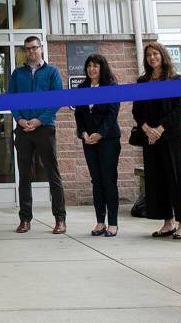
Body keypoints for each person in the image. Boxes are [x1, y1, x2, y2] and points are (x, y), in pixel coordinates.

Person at [133, 41, 181, 240]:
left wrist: (159, 129)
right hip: (151, 140)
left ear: (163, 56)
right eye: (149, 55)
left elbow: (180, 110)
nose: (152, 57)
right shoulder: (142, 82)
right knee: (157, 181)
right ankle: (167, 223)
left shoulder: (176, 79)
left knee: (177, 179)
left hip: (172, 138)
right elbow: (137, 111)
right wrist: (147, 129)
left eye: (155, 54)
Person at [8, 35, 67, 235]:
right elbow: (12, 100)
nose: (31, 51)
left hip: (45, 128)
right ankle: (25, 219)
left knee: (53, 174)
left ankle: (60, 219)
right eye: (27, 49)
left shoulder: (51, 72)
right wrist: (20, 119)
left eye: (34, 48)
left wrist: (40, 120)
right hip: (23, 129)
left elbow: (57, 100)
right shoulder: (17, 74)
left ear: (41, 48)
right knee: (24, 176)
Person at [74, 54, 121, 237]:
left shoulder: (111, 87)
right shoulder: (82, 88)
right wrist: (84, 133)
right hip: (89, 141)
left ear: (102, 68)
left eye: (95, 66)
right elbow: (79, 114)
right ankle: (100, 222)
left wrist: (99, 134)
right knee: (96, 181)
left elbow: (112, 114)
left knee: (109, 181)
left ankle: (113, 224)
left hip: (108, 140)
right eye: (89, 66)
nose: (91, 69)